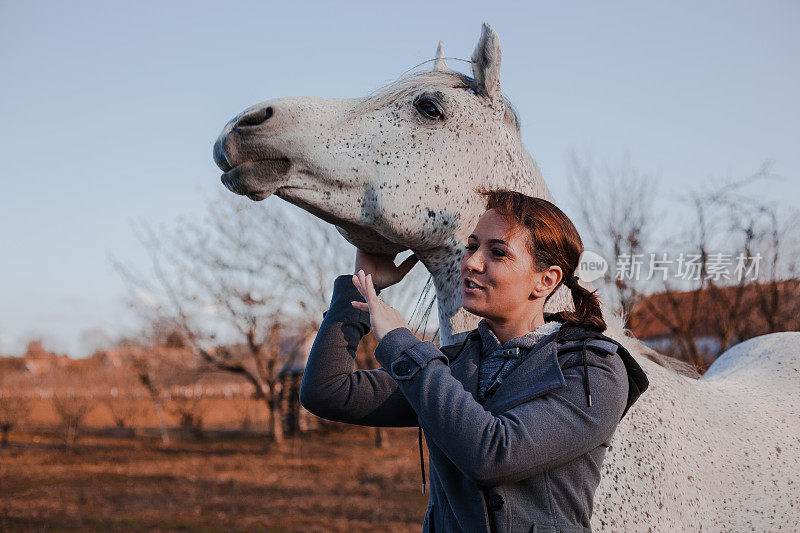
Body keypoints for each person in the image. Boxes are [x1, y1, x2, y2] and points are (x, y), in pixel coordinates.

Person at [300, 188, 649, 532]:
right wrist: (360, 290)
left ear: (546, 280)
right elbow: (328, 390)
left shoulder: (592, 371)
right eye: (471, 246)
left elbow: (494, 454)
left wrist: (401, 344)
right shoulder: (451, 366)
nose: (471, 262)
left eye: (497, 252)